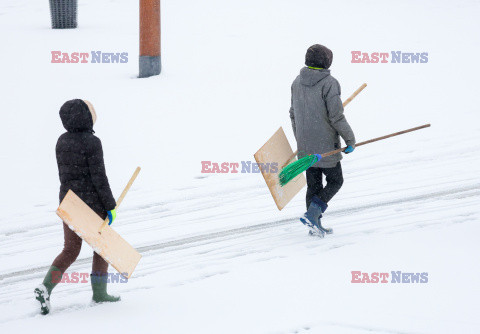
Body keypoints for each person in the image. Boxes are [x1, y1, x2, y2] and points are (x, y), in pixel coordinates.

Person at [34, 99, 119, 315]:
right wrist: (110, 205)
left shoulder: (61, 141)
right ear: (87, 117)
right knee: (102, 248)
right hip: (90, 205)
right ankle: (99, 294)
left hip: (68, 203)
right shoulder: (92, 142)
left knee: (70, 250)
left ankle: (46, 287)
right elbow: (99, 177)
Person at [289, 44, 356, 237]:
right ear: (326, 62)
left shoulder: (296, 82)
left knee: (314, 185)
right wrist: (350, 140)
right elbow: (336, 117)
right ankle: (313, 214)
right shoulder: (330, 83)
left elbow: (293, 114)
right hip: (326, 147)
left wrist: (300, 139)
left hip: (306, 148)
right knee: (336, 180)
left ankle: (313, 222)